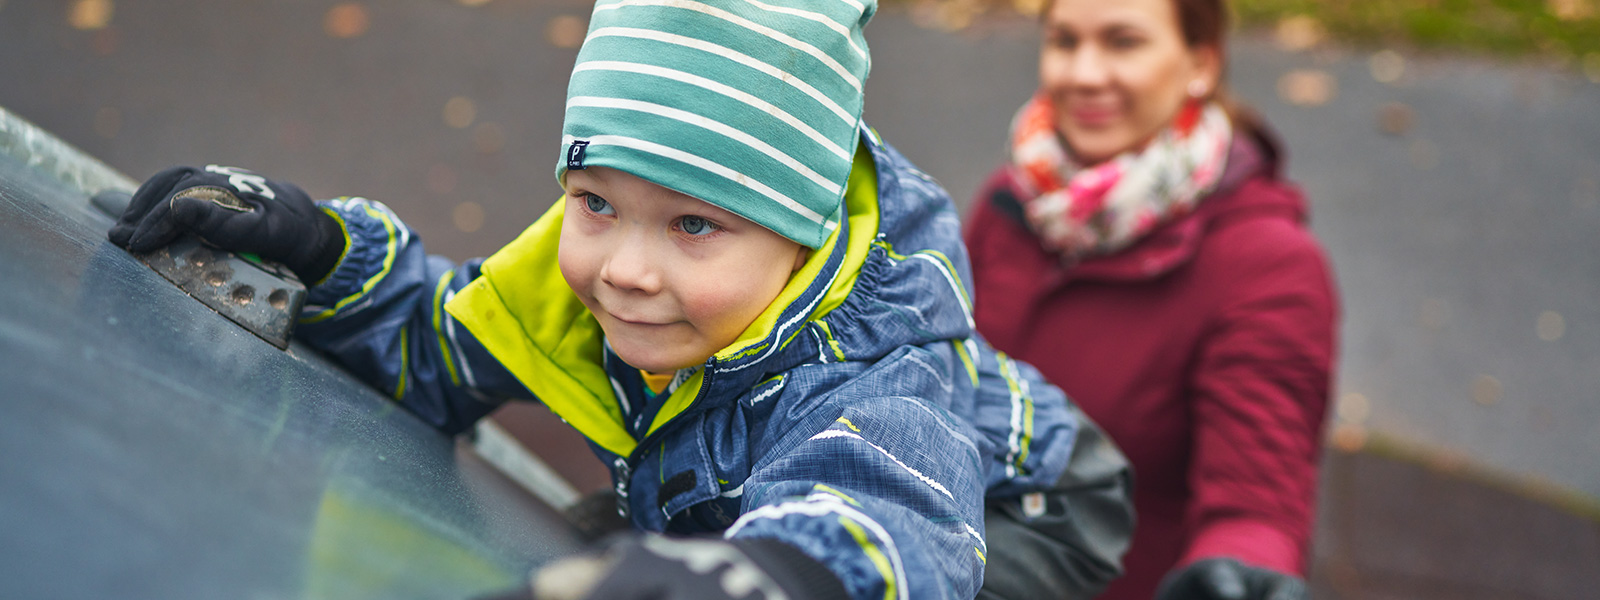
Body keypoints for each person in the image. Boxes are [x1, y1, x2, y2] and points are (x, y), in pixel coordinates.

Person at [108, 1, 1134, 599]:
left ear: (801, 234)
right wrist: (319, 249)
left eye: (693, 224)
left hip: (1018, 516)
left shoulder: (873, 379)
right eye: (596, 203)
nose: (625, 269)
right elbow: (434, 348)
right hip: (774, 496)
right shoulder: (588, 280)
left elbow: (884, 520)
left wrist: (758, 574)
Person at [962, 0, 1339, 598]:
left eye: (1123, 42)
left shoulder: (1270, 265)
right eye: (1065, 41)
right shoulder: (1012, 203)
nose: (1083, 73)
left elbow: (1256, 504)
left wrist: (1238, 572)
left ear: (1200, 64)